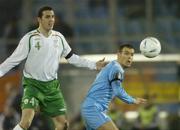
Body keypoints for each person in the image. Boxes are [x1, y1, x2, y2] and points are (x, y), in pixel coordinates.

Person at [0, 6, 105, 130]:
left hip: (52, 87)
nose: (51, 20)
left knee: (63, 124)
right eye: (47, 17)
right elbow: (13, 60)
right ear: (39, 19)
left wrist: (93, 65)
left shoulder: (59, 37)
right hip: (33, 85)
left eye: (53, 17)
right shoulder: (30, 38)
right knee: (26, 121)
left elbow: (72, 57)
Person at [81, 44, 147, 130]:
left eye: (132, 54)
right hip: (93, 108)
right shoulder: (116, 68)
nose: (129, 57)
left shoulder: (111, 66)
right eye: (126, 53)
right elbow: (118, 90)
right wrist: (133, 100)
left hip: (92, 108)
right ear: (118, 54)